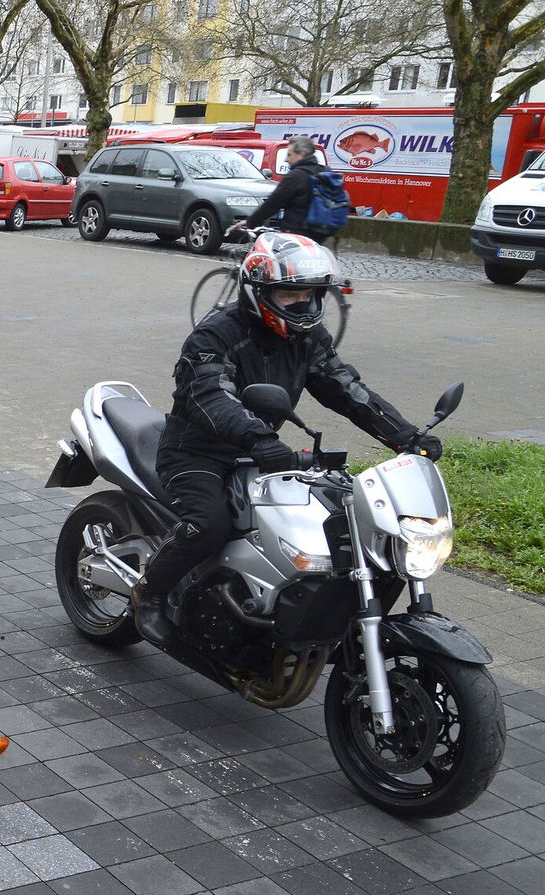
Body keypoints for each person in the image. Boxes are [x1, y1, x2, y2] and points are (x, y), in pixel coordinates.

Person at [130, 233, 438, 647]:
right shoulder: (214, 335)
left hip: (261, 453)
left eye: (310, 295)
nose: (303, 304)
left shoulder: (308, 337)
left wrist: (405, 436)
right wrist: (258, 437)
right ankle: (149, 591)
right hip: (197, 452)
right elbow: (212, 396)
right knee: (209, 524)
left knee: (321, 531)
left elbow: (344, 389)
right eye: (290, 293)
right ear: (259, 292)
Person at [234, 135, 333, 240]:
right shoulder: (325, 172)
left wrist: (250, 222)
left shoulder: (295, 176)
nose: (286, 159)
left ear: (301, 155)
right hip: (321, 233)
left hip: (296, 233)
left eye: (289, 155)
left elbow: (273, 203)